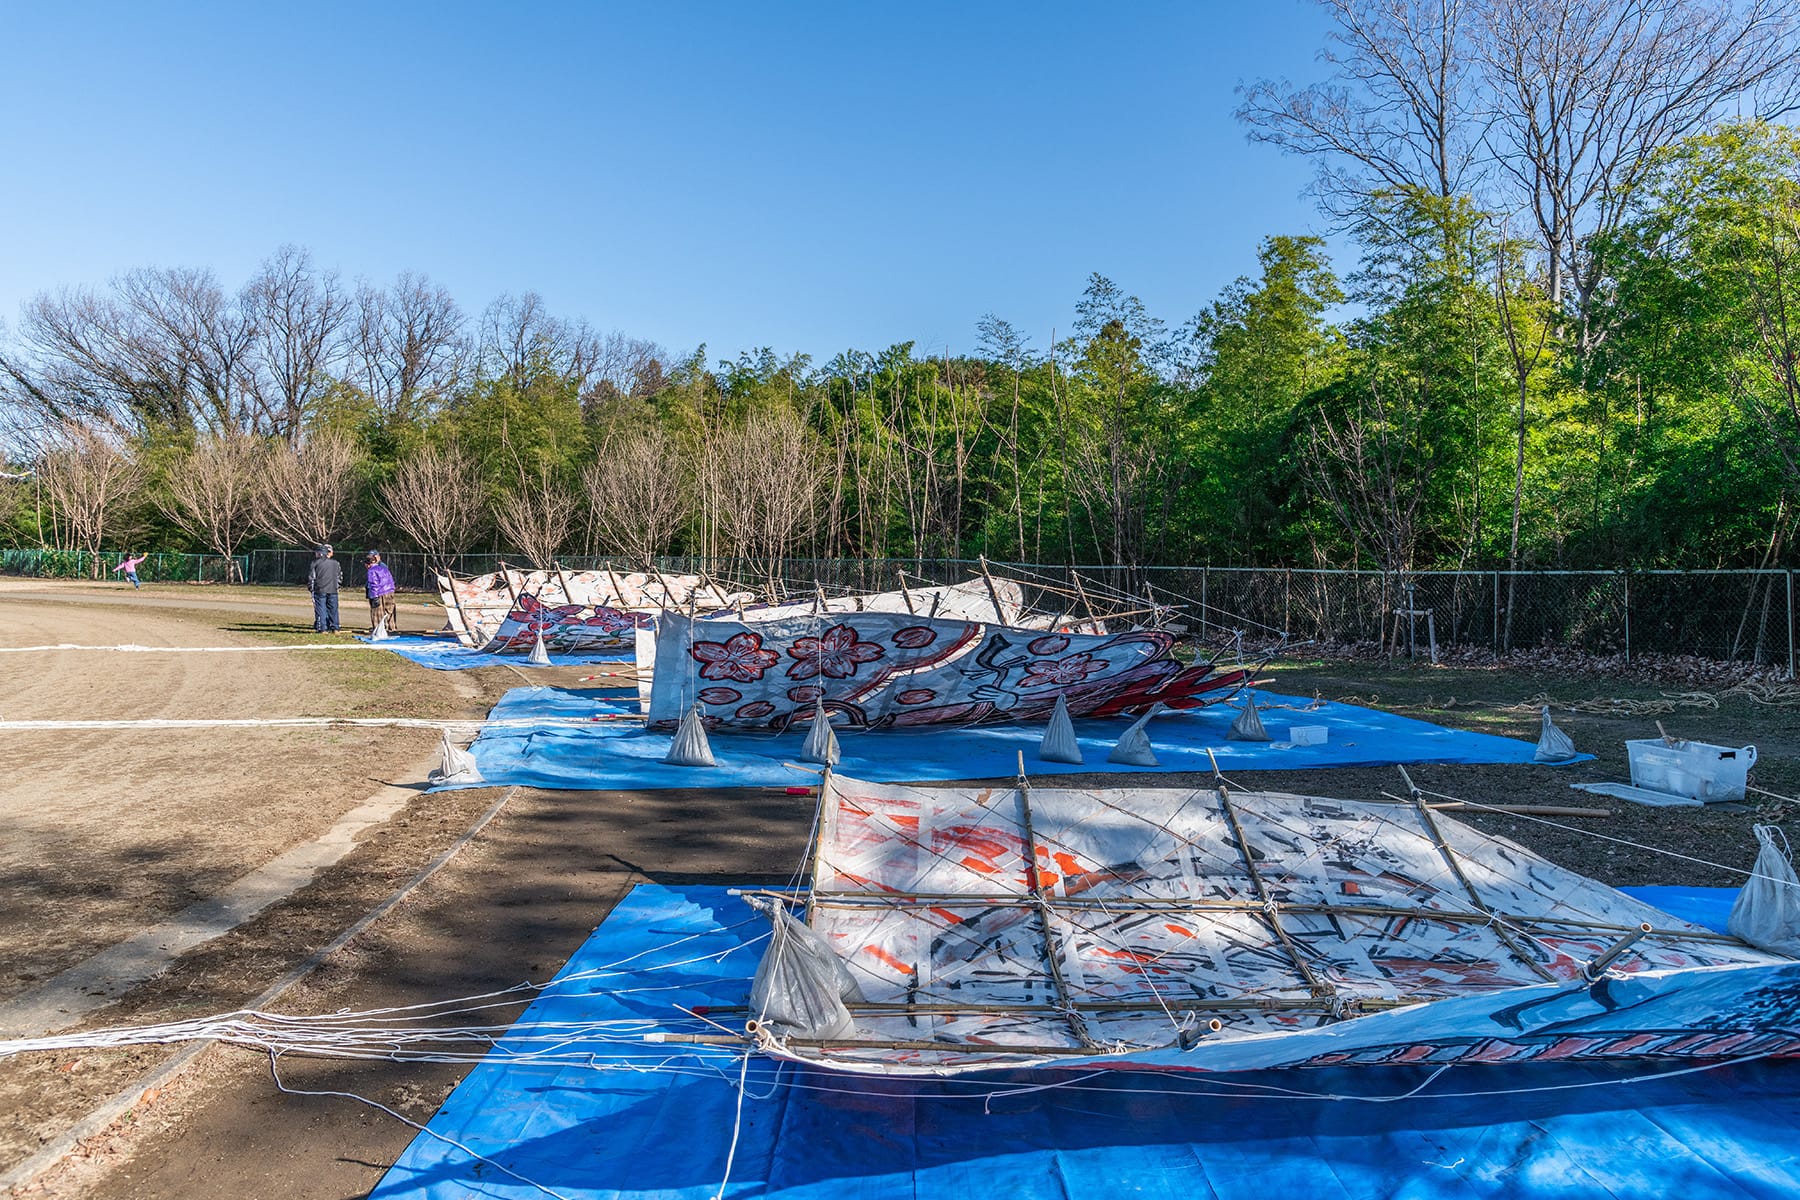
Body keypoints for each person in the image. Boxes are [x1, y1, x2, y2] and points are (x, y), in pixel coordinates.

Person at [308, 544, 342, 633]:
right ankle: (335, 627)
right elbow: (339, 577)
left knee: (321, 609)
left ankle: (322, 628)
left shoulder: (315, 563)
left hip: (320, 589)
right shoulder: (336, 563)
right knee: (333, 609)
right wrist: (337, 586)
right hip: (333, 589)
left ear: (319, 553)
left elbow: (312, 577)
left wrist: (311, 588)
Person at [364, 550, 398, 634]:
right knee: (390, 611)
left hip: (380, 592)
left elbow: (374, 584)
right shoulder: (384, 568)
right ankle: (392, 628)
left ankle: (378, 629)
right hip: (389, 591)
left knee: (377, 612)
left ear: (368, 564)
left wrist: (374, 596)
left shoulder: (371, 570)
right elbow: (391, 579)